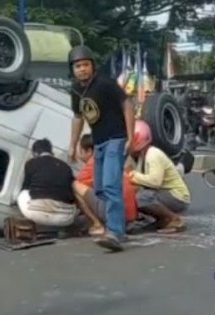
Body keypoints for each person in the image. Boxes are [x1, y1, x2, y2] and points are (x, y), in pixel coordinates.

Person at [68, 45, 135, 251]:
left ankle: (115, 232)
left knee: (110, 185)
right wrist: (73, 145)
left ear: (93, 66)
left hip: (116, 138)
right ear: (73, 69)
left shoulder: (105, 84)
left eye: (86, 65)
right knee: (99, 189)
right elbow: (78, 118)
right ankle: (119, 224)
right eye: (78, 66)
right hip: (99, 142)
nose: (82, 69)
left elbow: (127, 104)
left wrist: (130, 137)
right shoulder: (76, 90)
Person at [128, 120, 190, 233]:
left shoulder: (153, 154)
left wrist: (132, 175)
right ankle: (162, 220)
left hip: (177, 196)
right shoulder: (143, 156)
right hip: (165, 193)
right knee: (135, 195)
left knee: (142, 198)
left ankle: (174, 219)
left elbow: (154, 181)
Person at [73, 134, 138, 236]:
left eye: (80, 150)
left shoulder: (93, 163)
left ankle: (97, 224)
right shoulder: (112, 158)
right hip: (131, 215)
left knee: (74, 186)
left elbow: (79, 184)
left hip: (118, 214)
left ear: (89, 151)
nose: (78, 154)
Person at [19, 138, 79, 227]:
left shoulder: (31, 163)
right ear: (51, 151)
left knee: (23, 193)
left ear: (35, 153)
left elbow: (25, 187)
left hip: (36, 214)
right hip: (65, 218)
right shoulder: (66, 167)